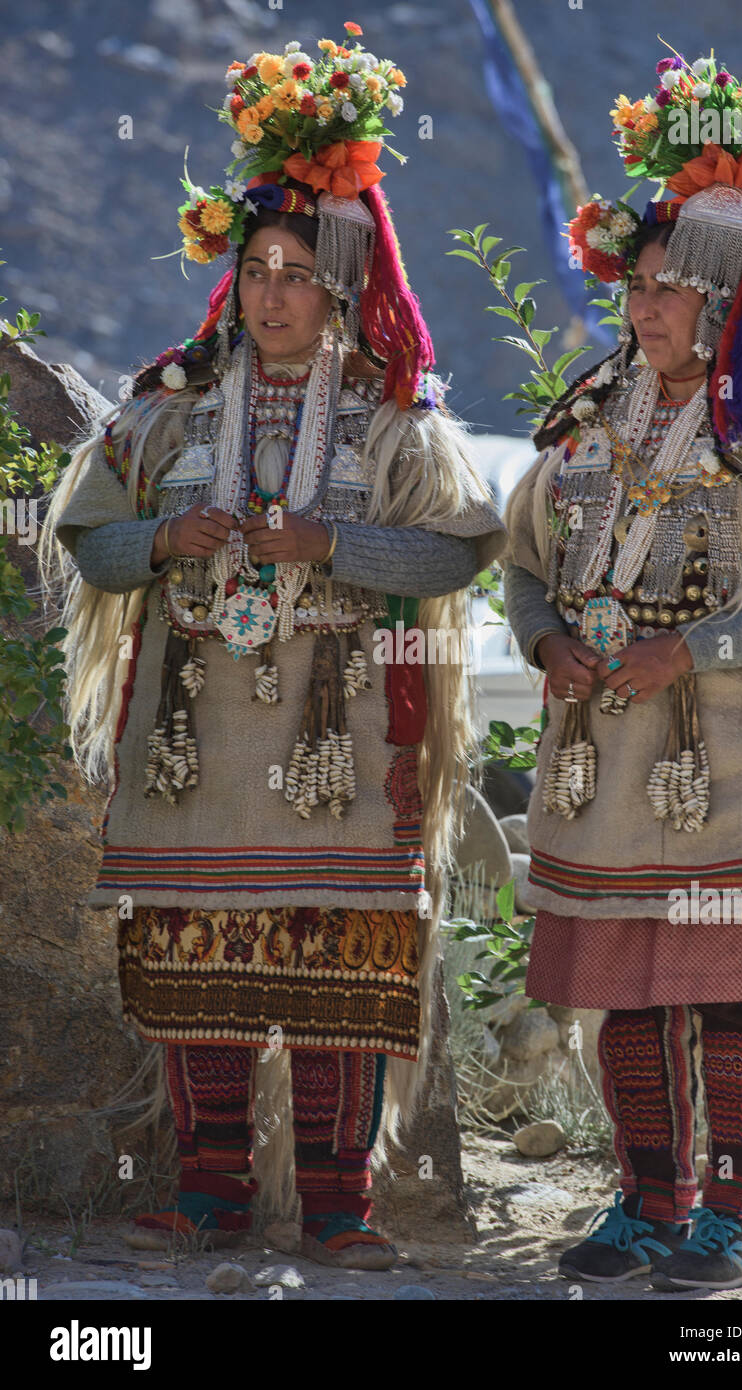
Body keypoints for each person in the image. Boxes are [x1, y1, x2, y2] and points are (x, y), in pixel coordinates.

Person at [39, 27, 504, 1269]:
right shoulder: (172, 405)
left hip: (338, 740)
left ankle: (340, 1203)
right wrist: (164, 536)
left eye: (298, 273)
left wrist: (328, 549)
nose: (271, 293)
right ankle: (206, 1195)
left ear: (343, 292)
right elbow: (86, 537)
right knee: (194, 944)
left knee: (340, 954)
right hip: (195, 734)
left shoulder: (395, 425)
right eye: (256, 268)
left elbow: (461, 550)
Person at [502, 51, 742, 1291]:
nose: (641, 310)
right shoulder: (587, 412)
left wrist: (687, 650)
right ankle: (644, 1204)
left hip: (737, 760)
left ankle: (738, 1218)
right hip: (607, 753)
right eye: (635, 288)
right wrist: (542, 638)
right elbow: (522, 556)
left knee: (719, 982)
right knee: (625, 985)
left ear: (718, 300)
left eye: (665, 293)